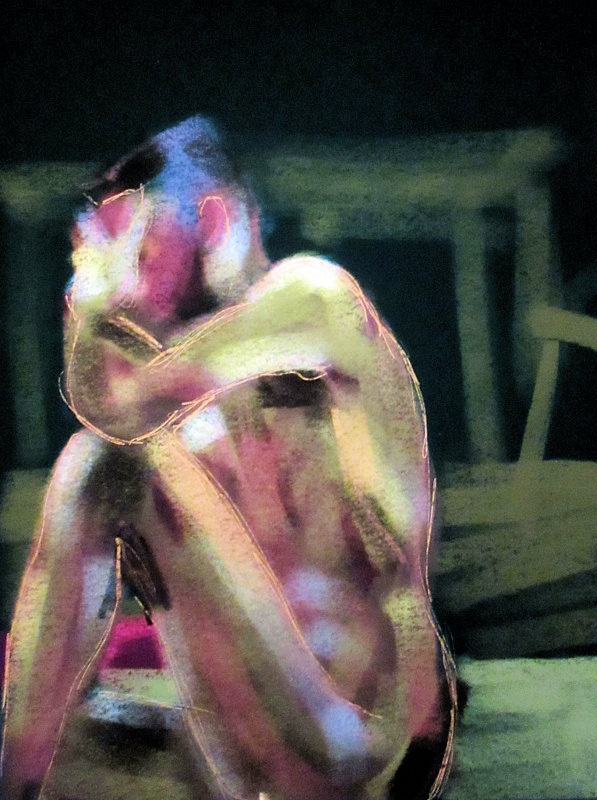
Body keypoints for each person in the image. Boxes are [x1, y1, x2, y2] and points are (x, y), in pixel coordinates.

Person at [1, 117, 455, 800]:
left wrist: (93, 298)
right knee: (96, 471)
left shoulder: (317, 299)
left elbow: (115, 401)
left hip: (367, 749)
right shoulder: (191, 425)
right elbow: (114, 404)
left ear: (213, 220)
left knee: (105, 465)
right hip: (265, 748)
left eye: (144, 250)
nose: (136, 283)